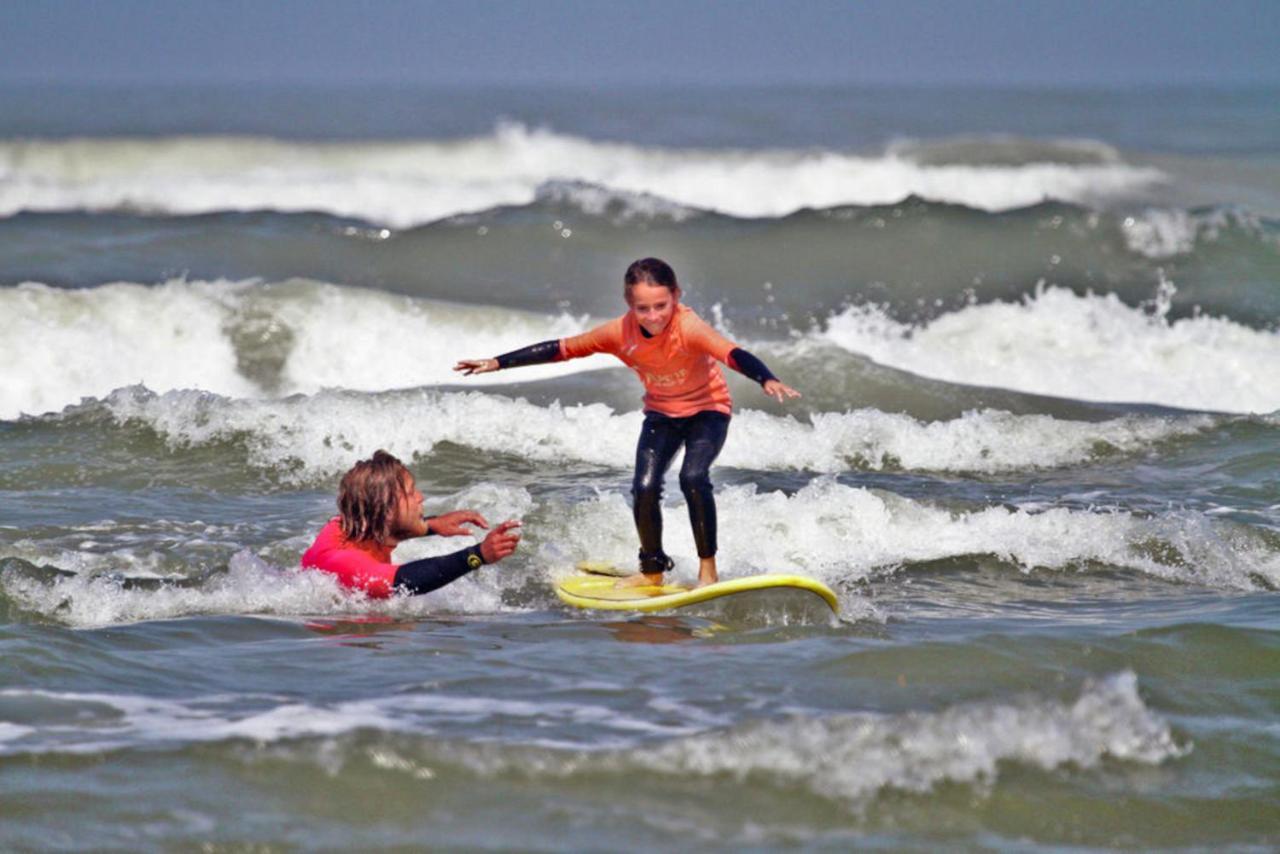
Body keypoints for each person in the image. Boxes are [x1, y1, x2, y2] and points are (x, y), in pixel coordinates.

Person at [454, 257, 798, 588]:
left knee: (693, 477)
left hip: (708, 411)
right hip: (662, 414)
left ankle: (708, 570)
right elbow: (563, 348)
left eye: (661, 306)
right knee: (644, 488)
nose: (653, 316)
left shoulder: (688, 327)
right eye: (642, 308)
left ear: (676, 296)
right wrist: (498, 363)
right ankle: (652, 571)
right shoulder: (619, 333)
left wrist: (765, 378)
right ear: (628, 304)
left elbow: (731, 353)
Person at [301, 450, 521, 597]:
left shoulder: (347, 525)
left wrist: (432, 525)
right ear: (385, 510)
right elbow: (405, 582)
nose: (420, 497)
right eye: (410, 492)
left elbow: (388, 527)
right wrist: (477, 555)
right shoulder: (346, 562)